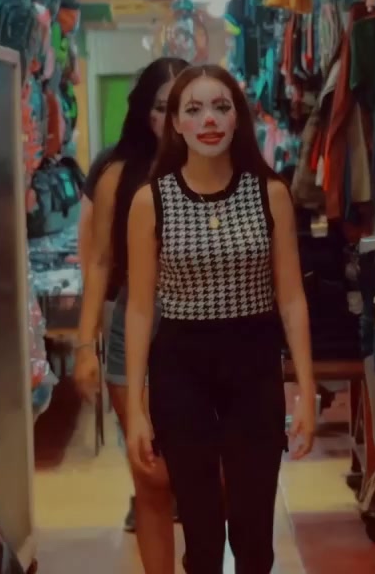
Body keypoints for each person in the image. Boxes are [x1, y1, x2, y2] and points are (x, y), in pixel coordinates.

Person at [123, 64, 317, 574]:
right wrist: (136, 406)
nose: (208, 119)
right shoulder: (151, 201)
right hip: (180, 368)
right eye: (194, 109)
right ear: (176, 124)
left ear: (237, 120)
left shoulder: (270, 193)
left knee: (254, 527)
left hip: (253, 363)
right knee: (201, 527)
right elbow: (140, 308)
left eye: (221, 107)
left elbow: (291, 298)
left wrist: (305, 388)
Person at [75, 57, 187, 570]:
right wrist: (85, 345)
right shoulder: (116, 174)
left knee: (206, 474)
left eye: (180, 106)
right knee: (151, 474)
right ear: (145, 112)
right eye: (161, 107)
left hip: (201, 326)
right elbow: (99, 262)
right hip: (132, 326)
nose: (171, 119)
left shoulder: (218, 169)